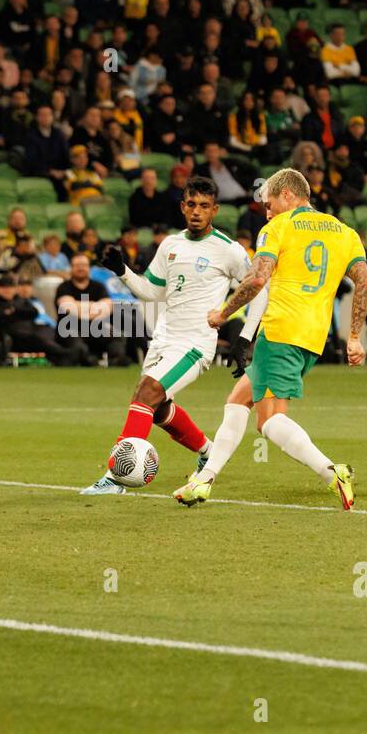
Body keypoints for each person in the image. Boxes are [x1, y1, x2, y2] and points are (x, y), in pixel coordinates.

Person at [173, 167, 367, 508]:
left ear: (288, 195)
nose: (267, 211)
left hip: (280, 331)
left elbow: (257, 279)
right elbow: (364, 282)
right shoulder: (343, 231)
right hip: (313, 338)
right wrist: (353, 336)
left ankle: (331, 471)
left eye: (269, 203)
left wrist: (223, 313)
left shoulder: (279, 227)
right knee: (237, 401)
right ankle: (203, 481)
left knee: (270, 421)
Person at [79, 177, 255, 495]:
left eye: (204, 206)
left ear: (214, 210)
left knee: (146, 393)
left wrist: (245, 337)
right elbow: (151, 291)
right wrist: (122, 270)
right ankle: (207, 452)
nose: (197, 211)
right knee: (158, 408)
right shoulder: (171, 245)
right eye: (191, 204)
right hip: (163, 339)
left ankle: (116, 477)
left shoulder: (229, 250)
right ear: (182, 206)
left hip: (194, 344)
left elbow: (258, 289)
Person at [0, 273, 88, 366]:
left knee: (62, 332)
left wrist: (14, 311)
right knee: (40, 337)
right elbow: (0, 320)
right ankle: (67, 354)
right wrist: (20, 313)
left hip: (34, 330)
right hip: (16, 337)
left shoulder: (21, 301)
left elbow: (33, 312)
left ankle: (81, 353)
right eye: (4, 287)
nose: (8, 290)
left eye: (10, 287)